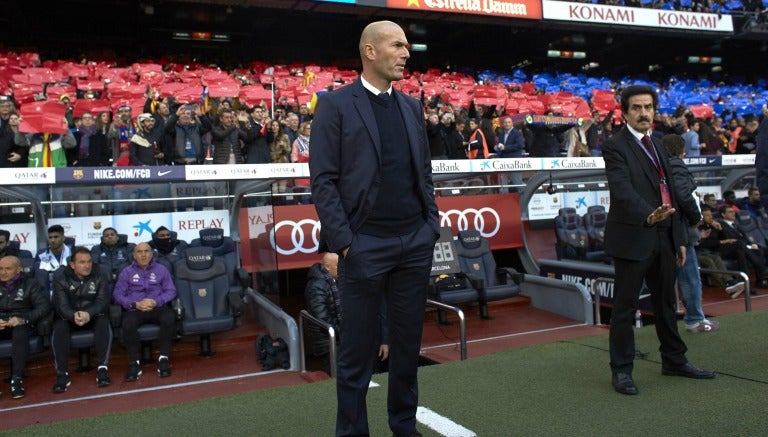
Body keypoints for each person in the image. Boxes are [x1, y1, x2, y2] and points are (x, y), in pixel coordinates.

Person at [309, 20, 439, 436]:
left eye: (407, 46)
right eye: (397, 45)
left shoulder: (412, 107)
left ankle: (403, 426)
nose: (406, 53)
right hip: (364, 245)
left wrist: (430, 225)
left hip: (414, 242)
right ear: (370, 51)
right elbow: (323, 180)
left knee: (406, 348)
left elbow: (425, 173)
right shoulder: (335, 104)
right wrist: (345, 243)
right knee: (356, 353)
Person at [602, 85, 714, 396]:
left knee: (666, 304)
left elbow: (673, 193)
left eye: (648, 107)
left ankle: (674, 360)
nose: (643, 113)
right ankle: (622, 370)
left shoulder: (660, 145)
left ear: (654, 110)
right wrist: (649, 214)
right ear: (624, 113)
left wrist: (679, 237)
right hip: (633, 236)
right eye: (636, 108)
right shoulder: (615, 146)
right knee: (624, 308)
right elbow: (622, 191)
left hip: (665, 235)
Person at [661, 134, 719, 332]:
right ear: (679, 149)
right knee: (689, 277)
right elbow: (683, 195)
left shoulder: (661, 165)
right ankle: (695, 319)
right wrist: (696, 218)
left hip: (669, 229)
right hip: (682, 231)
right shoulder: (676, 165)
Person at [304, 252, 390, 375]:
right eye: (338, 266)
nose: (343, 269)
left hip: (347, 338)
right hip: (330, 343)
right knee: (340, 379)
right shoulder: (316, 286)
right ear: (327, 267)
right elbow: (323, 318)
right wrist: (349, 333)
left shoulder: (339, 280)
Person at [51, 247, 113, 392]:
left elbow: (102, 301)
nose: (87, 266)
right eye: (82, 262)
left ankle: (102, 368)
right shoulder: (60, 277)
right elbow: (61, 304)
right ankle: (62, 373)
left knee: (103, 321)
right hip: (70, 316)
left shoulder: (100, 274)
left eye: (89, 261)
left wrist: (88, 313)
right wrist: (73, 315)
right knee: (60, 326)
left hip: (92, 314)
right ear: (72, 265)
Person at [112, 242, 177, 381]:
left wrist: (156, 301)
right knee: (128, 322)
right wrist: (134, 304)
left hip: (157, 307)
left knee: (169, 317)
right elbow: (117, 295)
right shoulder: (126, 272)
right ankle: (134, 363)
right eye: (139, 252)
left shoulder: (161, 269)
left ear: (152, 254)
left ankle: (163, 359)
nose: (143, 254)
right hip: (135, 309)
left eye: (146, 251)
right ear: (134, 255)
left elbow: (171, 291)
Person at [0, 255, 51, 399]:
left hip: (23, 323)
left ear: (18, 270)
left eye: (7, 269)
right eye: (0, 269)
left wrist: (23, 319)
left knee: (19, 332)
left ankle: (16, 380)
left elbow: (44, 306)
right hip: (2, 324)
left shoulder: (30, 283)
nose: (3, 272)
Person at [90, 227, 135, 292]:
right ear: (103, 239)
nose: (110, 237)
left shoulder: (129, 247)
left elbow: (132, 264)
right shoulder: (96, 249)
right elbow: (94, 266)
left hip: (125, 280)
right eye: (106, 235)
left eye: (112, 234)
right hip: (104, 282)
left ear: (117, 237)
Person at [34, 224, 74, 296]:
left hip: (70, 291)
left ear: (63, 238)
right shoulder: (41, 255)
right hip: (48, 292)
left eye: (56, 237)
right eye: (50, 237)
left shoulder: (73, 253)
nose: (52, 240)